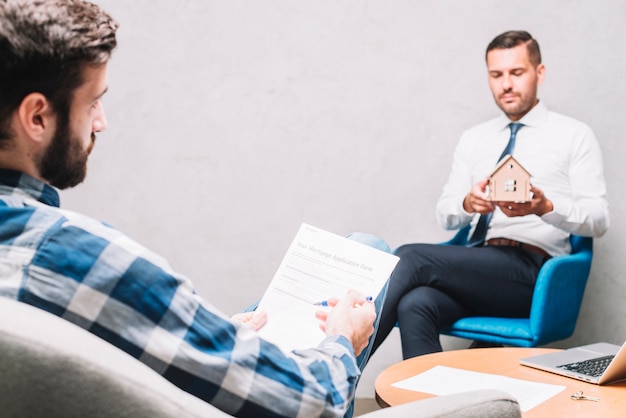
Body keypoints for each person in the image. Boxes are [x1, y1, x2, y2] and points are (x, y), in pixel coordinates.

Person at [0, 1, 382, 417]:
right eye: (93, 102)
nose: (101, 122)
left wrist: (208, 338)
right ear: (37, 117)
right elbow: (314, 403)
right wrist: (344, 339)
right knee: (366, 250)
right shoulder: (78, 257)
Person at [370, 30, 609, 360]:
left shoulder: (574, 135)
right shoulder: (474, 139)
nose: (506, 84)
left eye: (517, 72)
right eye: (497, 75)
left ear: (539, 73)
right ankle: (432, 407)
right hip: (477, 268)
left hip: (533, 276)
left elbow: (598, 220)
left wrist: (545, 206)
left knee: (410, 256)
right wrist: (469, 204)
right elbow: (445, 213)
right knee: (416, 303)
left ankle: (340, 366)